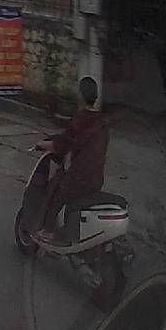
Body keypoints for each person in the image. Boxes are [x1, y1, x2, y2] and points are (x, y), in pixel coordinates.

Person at [33, 76, 109, 240]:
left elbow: (62, 145)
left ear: (80, 95)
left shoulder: (81, 119)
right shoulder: (102, 121)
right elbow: (71, 139)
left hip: (79, 178)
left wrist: (42, 144)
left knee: (54, 190)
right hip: (96, 178)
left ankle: (47, 232)